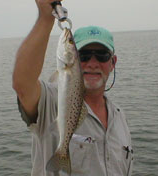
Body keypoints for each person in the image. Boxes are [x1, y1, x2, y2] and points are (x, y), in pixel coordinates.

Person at [12, 0, 133, 175]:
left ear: (112, 62)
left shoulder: (120, 118)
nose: (92, 63)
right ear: (74, 58)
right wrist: (45, 19)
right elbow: (22, 84)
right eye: (84, 55)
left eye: (101, 55)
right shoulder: (52, 101)